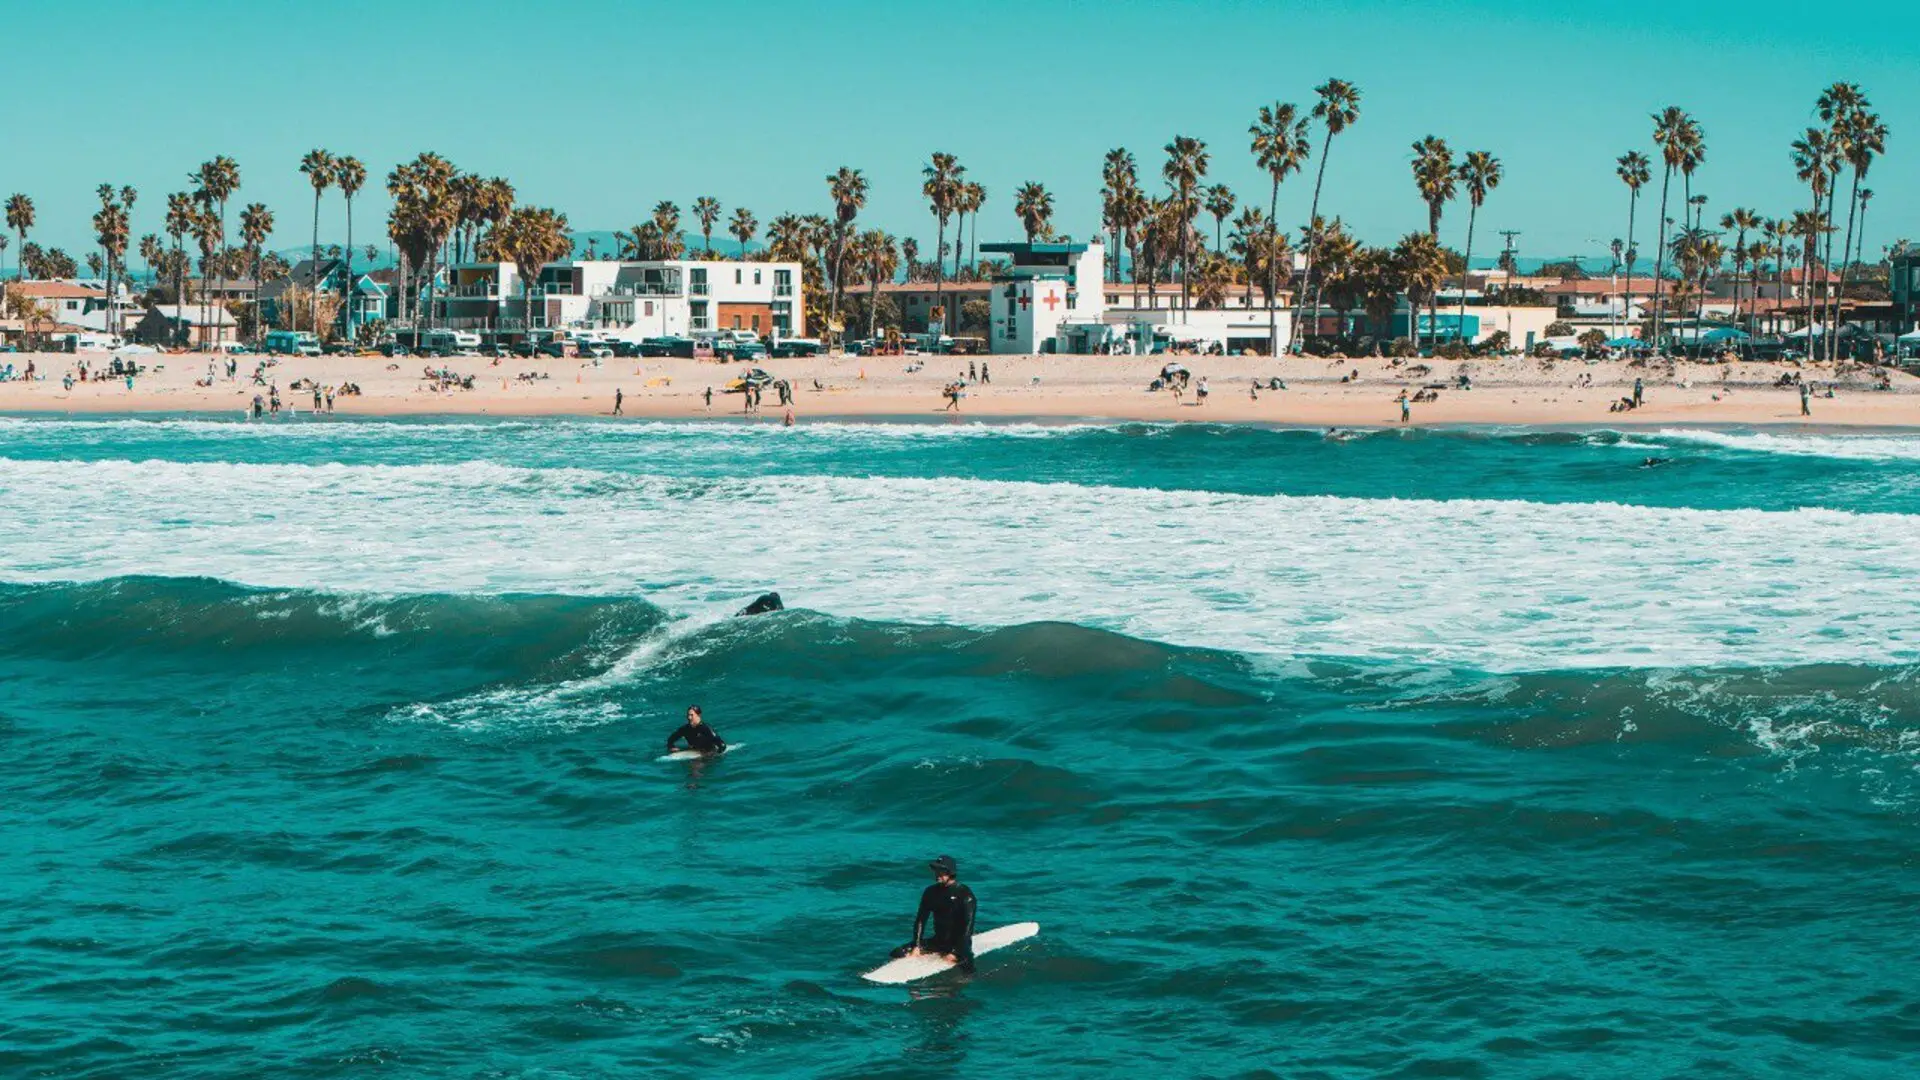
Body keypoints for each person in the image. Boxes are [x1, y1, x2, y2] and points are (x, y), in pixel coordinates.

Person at [891, 855, 976, 972]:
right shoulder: (930, 892)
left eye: (940, 871)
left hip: (959, 944)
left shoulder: (965, 895)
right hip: (938, 941)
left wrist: (955, 953)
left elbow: (967, 928)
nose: (937, 874)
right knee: (897, 952)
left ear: (950, 872)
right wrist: (916, 945)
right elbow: (921, 920)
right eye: (936, 870)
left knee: (967, 970)